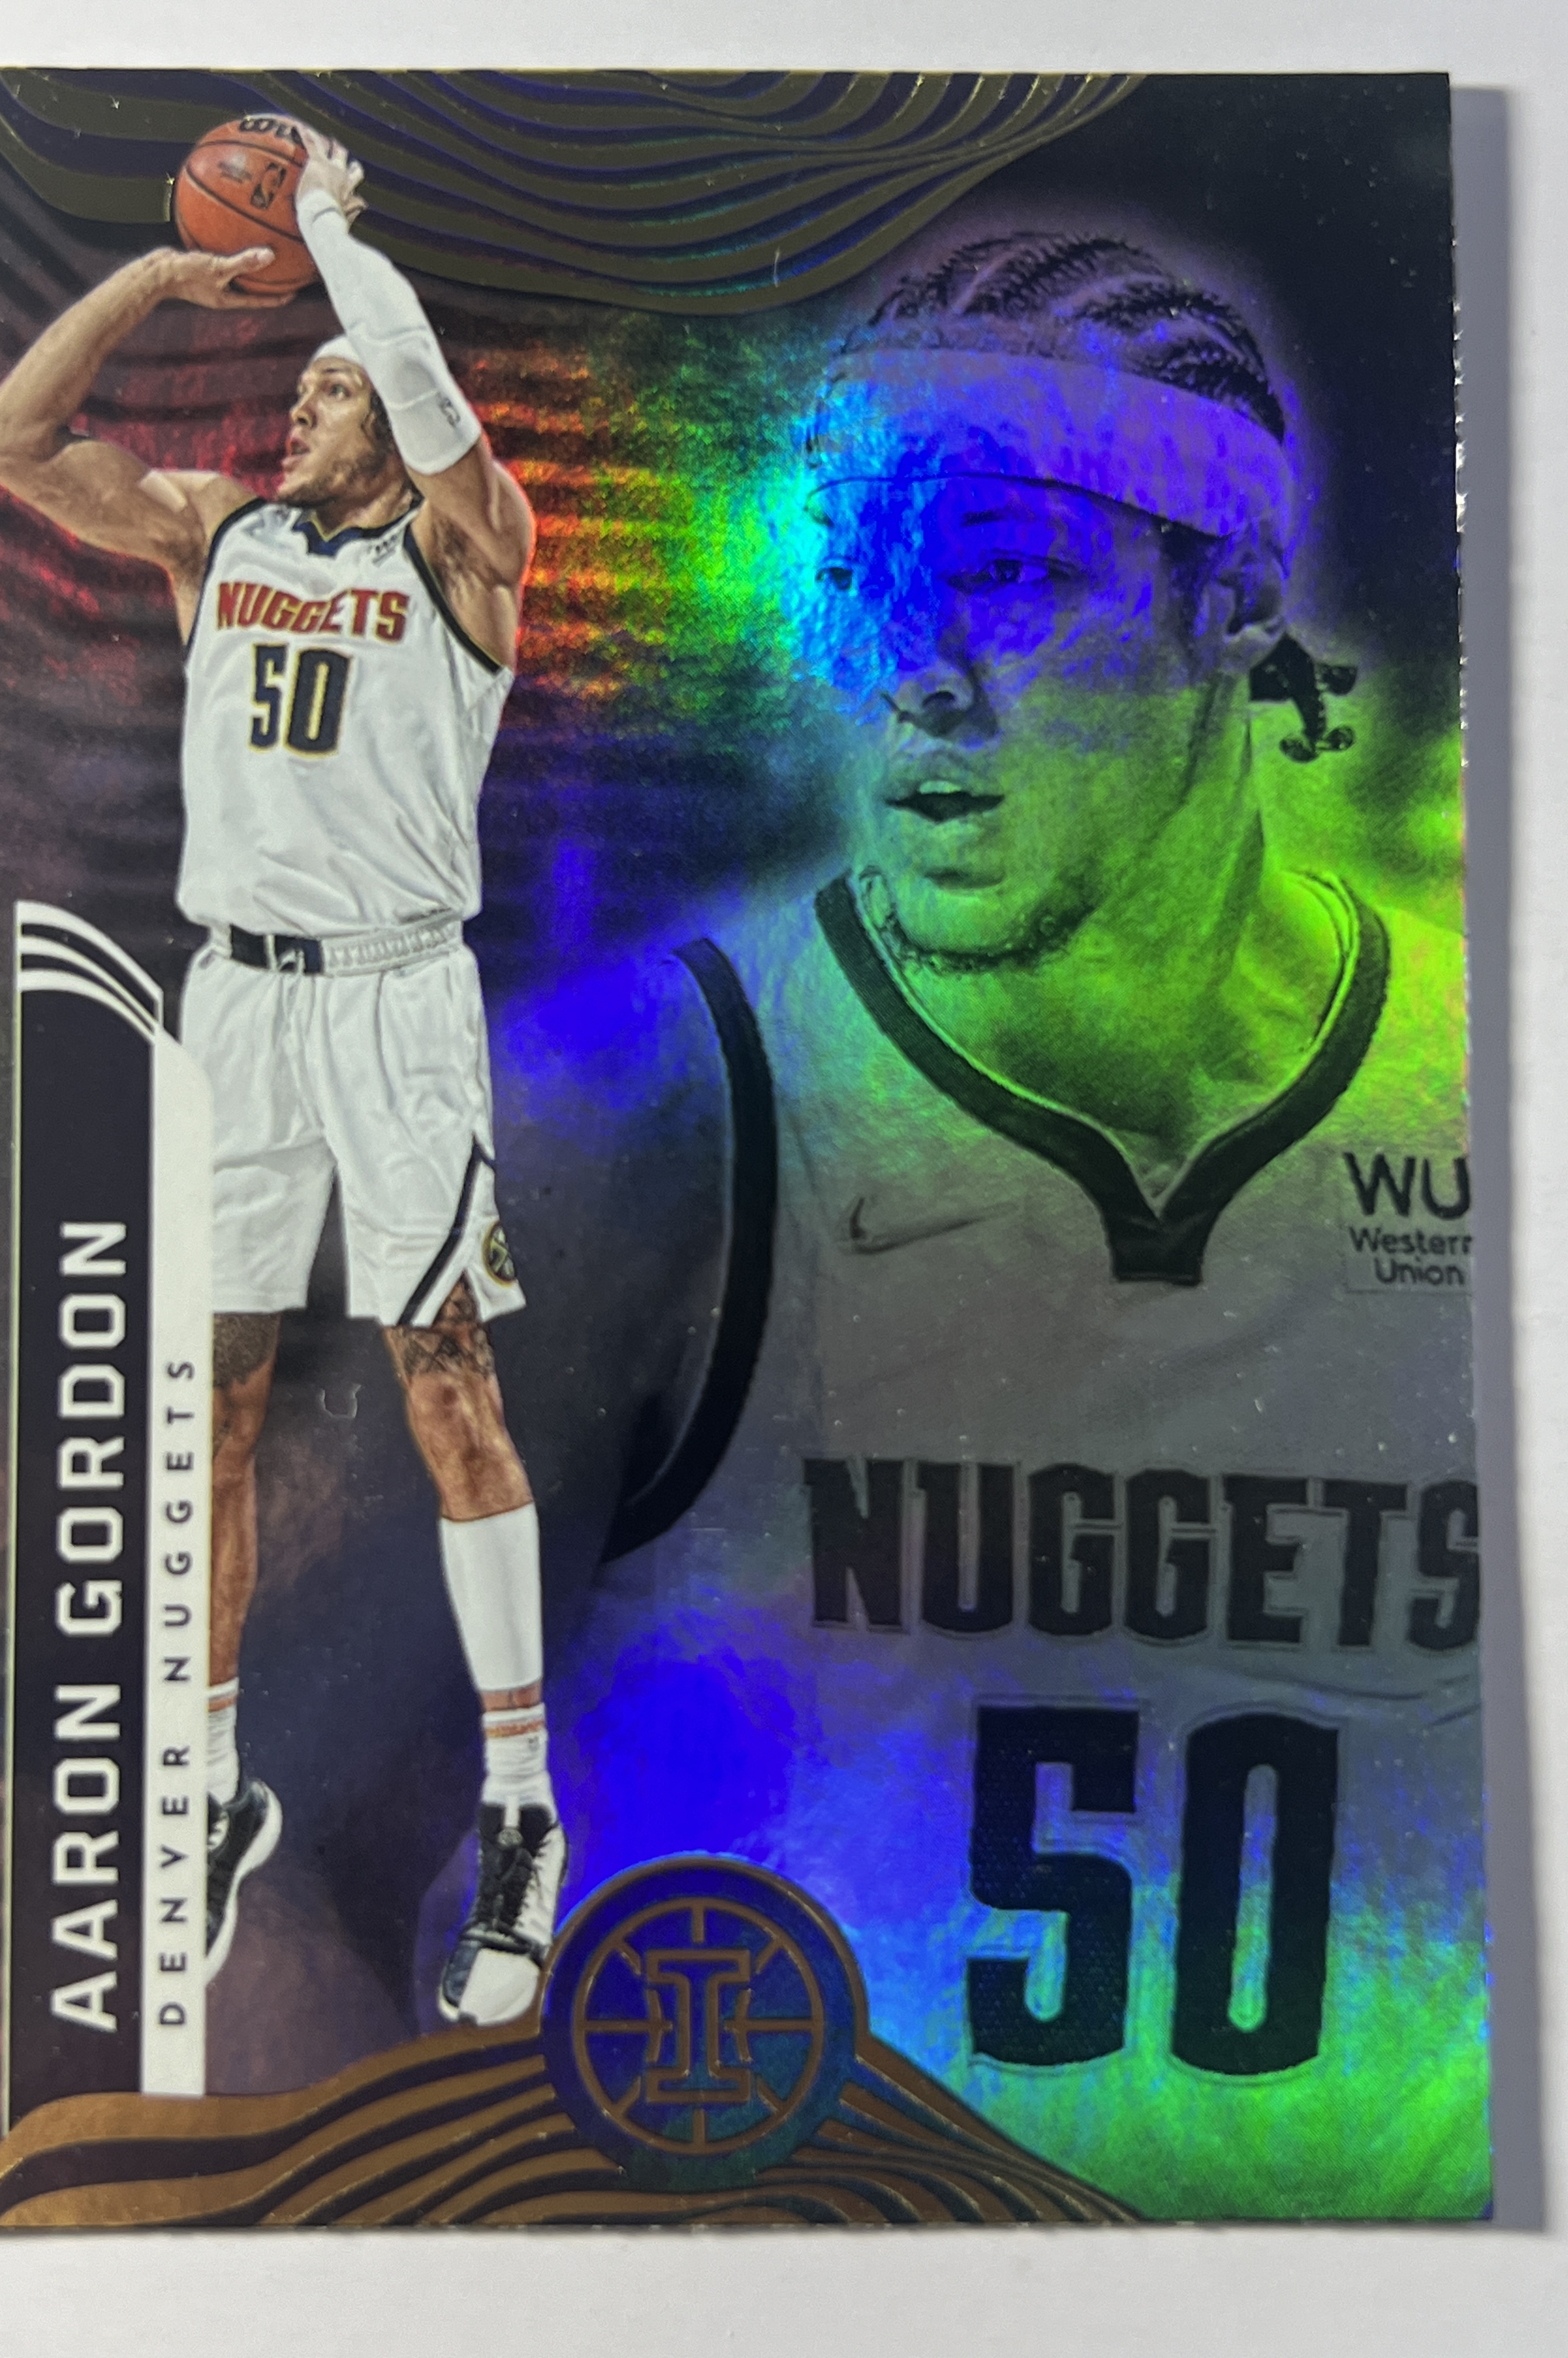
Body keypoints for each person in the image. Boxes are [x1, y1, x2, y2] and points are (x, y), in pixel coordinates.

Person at [501, 228, 1483, 2216]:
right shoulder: (645, 1100)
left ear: (1235, 602)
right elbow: (274, 1843)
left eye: (1010, 572)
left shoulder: (1495, 1105)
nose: (915, 671)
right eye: (861, 573)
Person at [0, 126, 564, 2029]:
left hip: (397, 1014)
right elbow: (5, 443)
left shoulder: (469, 556)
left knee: (448, 1387)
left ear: (394, 420)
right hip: (236, 1004)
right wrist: (165, 273)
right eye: (298, 386)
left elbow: (436, 407)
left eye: (331, 389)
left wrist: (324, 231)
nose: (297, 407)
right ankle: (211, 1783)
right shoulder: (218, 537)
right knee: (207, 1408)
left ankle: (524, 1808)